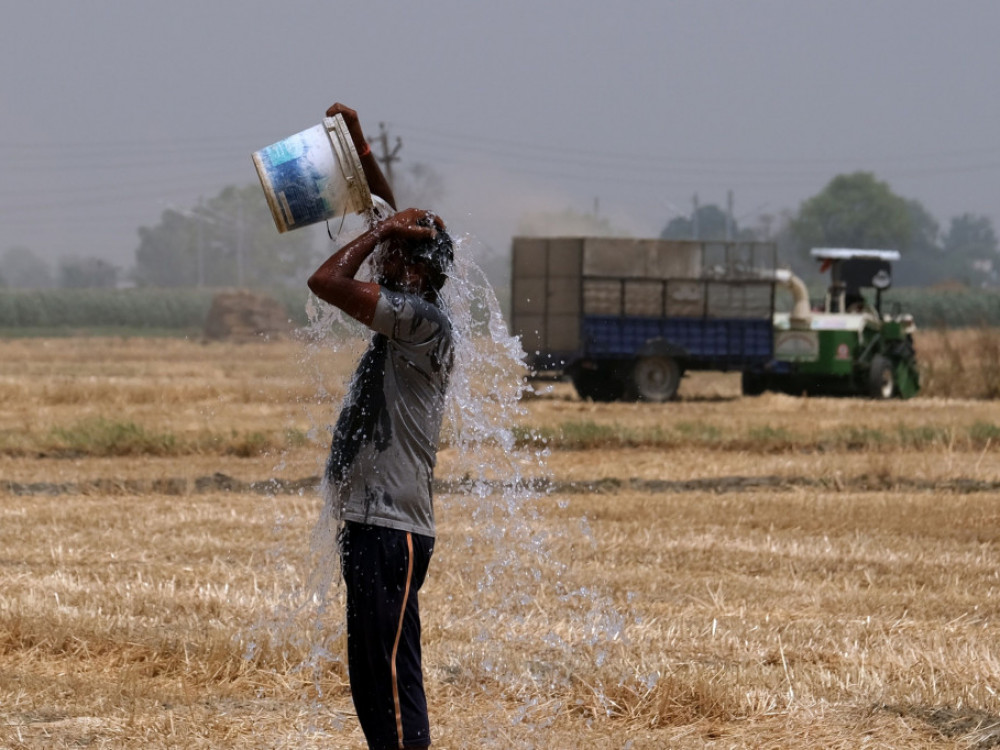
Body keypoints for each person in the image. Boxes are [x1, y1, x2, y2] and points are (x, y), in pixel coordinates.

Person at [307, 102, 454, 750]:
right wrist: (361, 146)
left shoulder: (421, 322)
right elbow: (382, 219)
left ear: (417, 274)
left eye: (396, 255)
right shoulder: (415, 308)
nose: (383, 260)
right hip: (373, 526)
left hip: (392, 531)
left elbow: (325, 280)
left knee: (390, 682)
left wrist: (380, 231)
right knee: (376, 682)